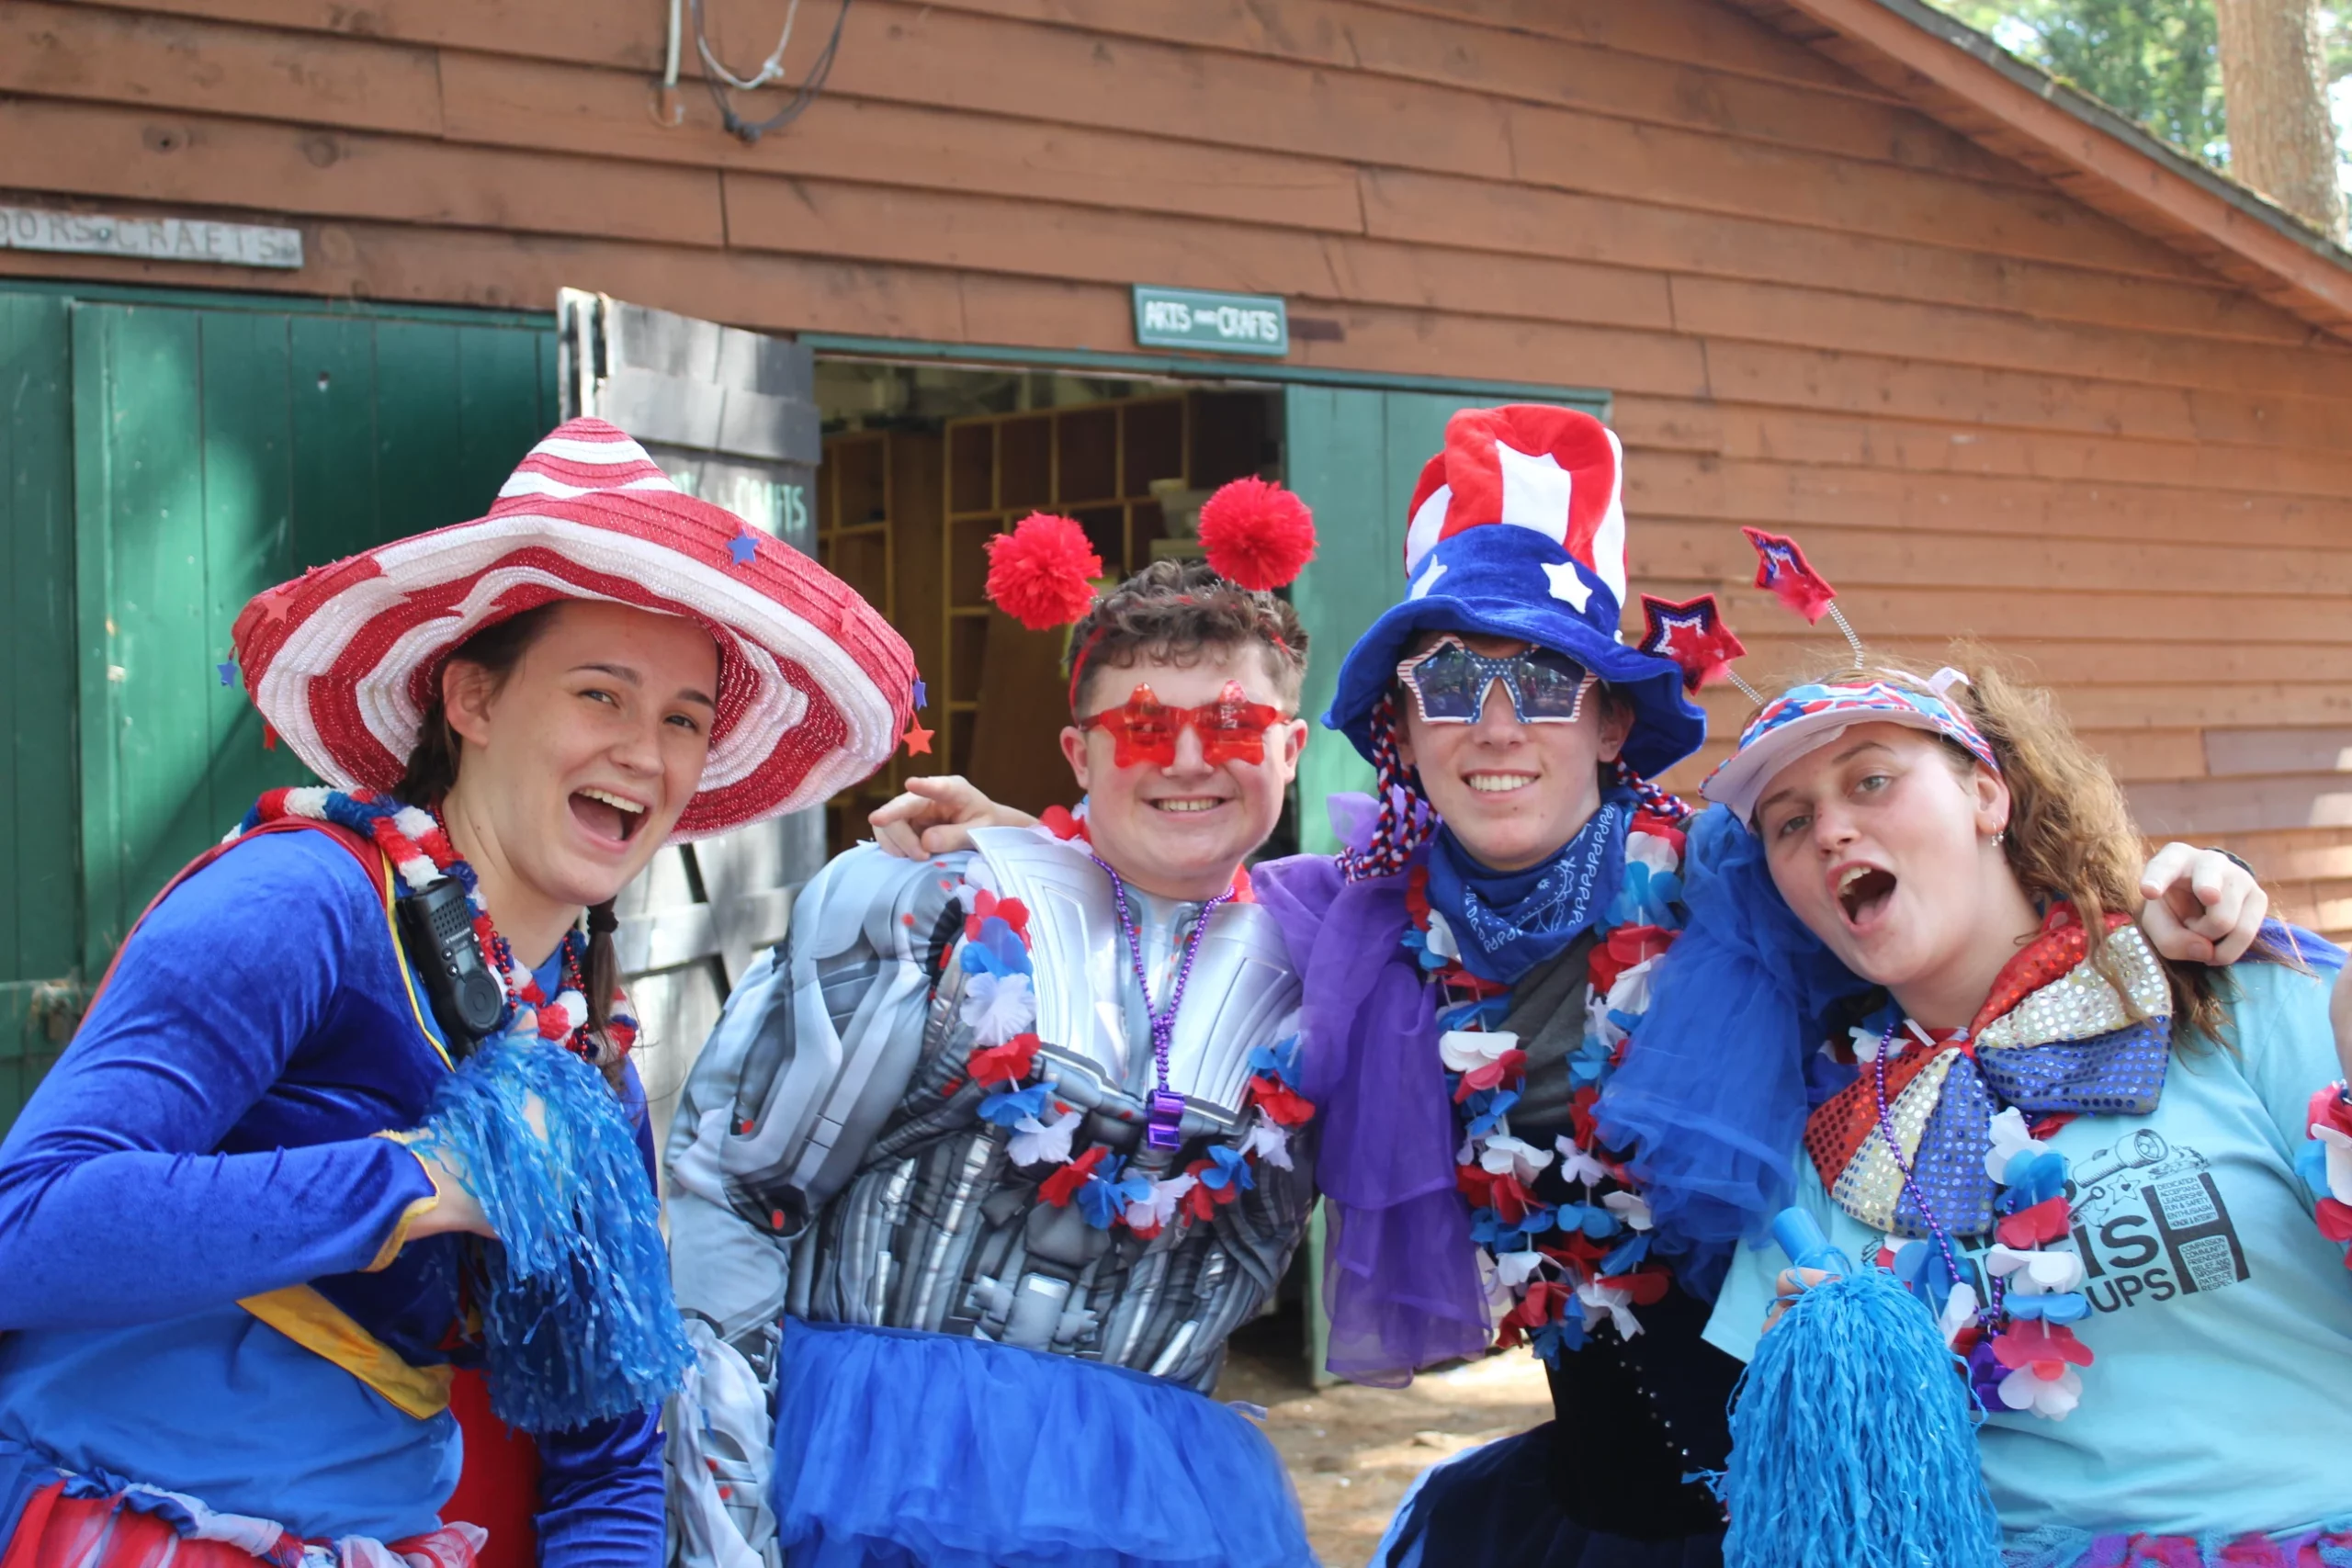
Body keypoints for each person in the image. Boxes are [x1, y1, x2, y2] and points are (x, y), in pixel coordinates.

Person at [881, 413, 2273, 1567]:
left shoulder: (1753, 868)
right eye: (1453, 682)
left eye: (1543, 683)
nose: (1497, 724)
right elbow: (1183, 857)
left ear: (1612, 722)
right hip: (1596, 1511)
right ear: (1399, 728)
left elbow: (1957, 890)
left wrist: (2174, 889)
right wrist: (1020, 827)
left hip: (1837, 1493)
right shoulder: (1361, 919)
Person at [0, 419, 914, 1568]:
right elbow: (22, 1226)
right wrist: (424, 1182)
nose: (647, 751)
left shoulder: (589, 1065)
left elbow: (604, 1455)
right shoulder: (300, 905)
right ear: (471, 701)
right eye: (601, 695)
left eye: (684, 718)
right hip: (110, 1517)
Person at [661, 491, 1325, 1568]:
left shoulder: (1334, 974)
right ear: (1079, 750)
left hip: (1156, 1515)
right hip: (861, 1490)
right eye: (1145, 725)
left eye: (1236, 725)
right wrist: (725, 1513)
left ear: (1290, 748)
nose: (1190, 758)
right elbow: (733, 1194)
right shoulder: (921, 909)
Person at [1634, 648, 2352, 1563]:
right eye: (1789, 822)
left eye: (1873, 780)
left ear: (1986, 796)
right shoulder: (1828, 1142)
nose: (1829, 833)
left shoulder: (2232, 1001)